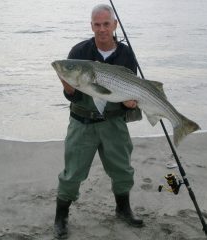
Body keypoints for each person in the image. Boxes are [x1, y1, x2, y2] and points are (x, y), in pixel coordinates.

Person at [54, 4, 144, 239]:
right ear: (91, 26)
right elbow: (70, 94)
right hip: (82, 122)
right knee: (72, 173)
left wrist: (130, 103)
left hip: (114, 122)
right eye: (97, 24)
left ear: (114, 25)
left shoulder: (126, 54)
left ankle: (123, 209)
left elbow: (130, 92)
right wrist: (68, 87)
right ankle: (60, 217)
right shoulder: (78, 52)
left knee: (122, 170)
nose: (102, 29)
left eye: (106, 24)